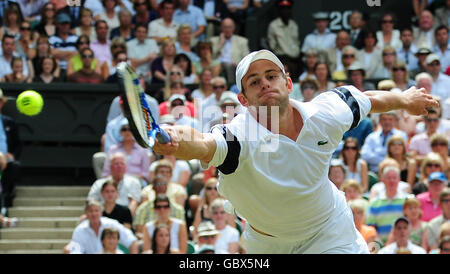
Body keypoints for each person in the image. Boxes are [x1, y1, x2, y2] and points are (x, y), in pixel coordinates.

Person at [152, 49, 438, 253]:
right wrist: (173, 136)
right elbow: (201, 143)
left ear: (287, 83)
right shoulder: (239, 136)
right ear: (243, 99)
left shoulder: (325, 113)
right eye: (254, 81)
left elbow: (367, 100)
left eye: (271, 75)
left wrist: (403, 98)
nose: (264, 82)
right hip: (268, 245)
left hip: (329, 230)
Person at [65, 199, 138, 254]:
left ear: (101, 212)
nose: (94, 214)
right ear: (86, 213)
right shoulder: (80, 229)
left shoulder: (112, 224)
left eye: (96, 211)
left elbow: (132, 241)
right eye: (90, 211)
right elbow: (75, 250)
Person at [366, 166, 412, 244]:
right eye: (388, 178)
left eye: (394, 178)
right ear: (382, 180)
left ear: (399, 180)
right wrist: (380, 245)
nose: (391, 181)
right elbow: (371, 227)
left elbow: (412, 224)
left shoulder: (407, 200)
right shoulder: (374, 203)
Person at [133, 175, 185, 240]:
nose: (161, 186)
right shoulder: (142, 208)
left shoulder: (178, 209)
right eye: (158, 183)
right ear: (152, 187)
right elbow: (139, 232)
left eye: (163, 184)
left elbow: (182, 232)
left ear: (167, 187)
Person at [102, 120, 151, 186]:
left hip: (137, 183)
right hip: (116, 182)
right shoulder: (113, 149)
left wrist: (128, 179)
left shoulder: (142, 150)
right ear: (120, 132)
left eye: (130, 129)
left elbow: (145, 174)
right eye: (124, 129)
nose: (127, 132)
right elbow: (106, 173)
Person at [210, 17, 249, 85]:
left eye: (230, 27)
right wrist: (220, 44)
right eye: (225, 27)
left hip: (234, 66)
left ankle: (231, 85)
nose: (227, 30)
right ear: (221, 28)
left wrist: (238, 65)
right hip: (217, 66)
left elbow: (247, 59)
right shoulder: (213, 41)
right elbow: (209, 57)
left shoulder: (242, 41)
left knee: (229, 66)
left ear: (234, 28)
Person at [267, 0, 300, 80]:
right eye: (283, 9)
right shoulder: (273, 26)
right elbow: (272, 46)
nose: (285, 11)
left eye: (288, 9)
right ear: (279, 11)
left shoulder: (293, 25)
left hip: (295, 59)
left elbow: (297, 43)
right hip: (282, 58)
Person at [0, 89, 22, 208]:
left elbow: (18, 144)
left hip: (6, 162)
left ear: (2, 103)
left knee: (14, 166)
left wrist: (11, 155)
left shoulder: (9, 122)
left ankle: (5, 200)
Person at [422, 187, 450, 252]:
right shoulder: (433, 224)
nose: (449, 203)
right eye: (446, 201)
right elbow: (434, 250)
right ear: (440, 204)